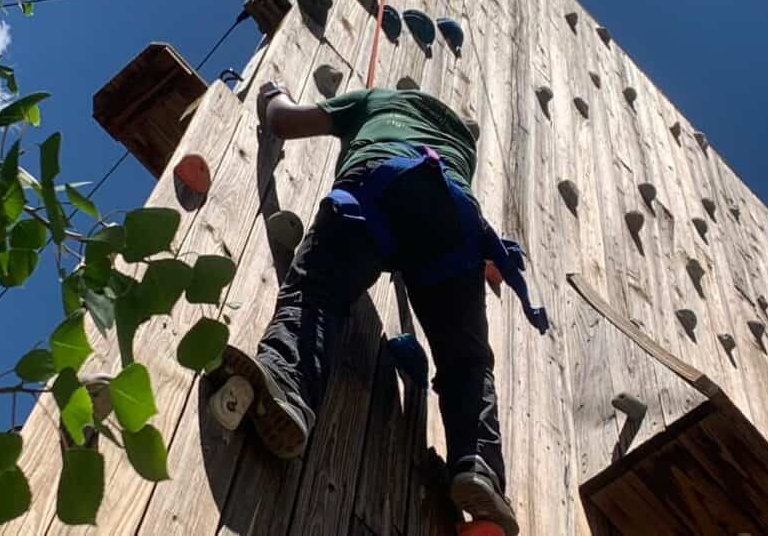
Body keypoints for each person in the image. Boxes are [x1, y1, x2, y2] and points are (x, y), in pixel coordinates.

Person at [216, 82, 548, 536]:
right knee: (466, 362)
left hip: (374, 191)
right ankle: (478, 467)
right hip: (454, 220)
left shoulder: (376, 100)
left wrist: (271, 96)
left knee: (317, 293)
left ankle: (288, 387)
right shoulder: (461, 145)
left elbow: (284, 121)